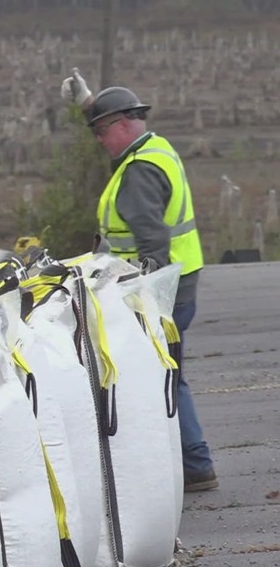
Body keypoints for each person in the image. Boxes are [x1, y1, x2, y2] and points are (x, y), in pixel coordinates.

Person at [61, 69, 216, 492]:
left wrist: (144, 298)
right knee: (170, 376)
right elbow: (113, 119)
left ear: (124, 125)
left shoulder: (138, 173)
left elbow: (152, 242)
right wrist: (89, 103)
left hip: (159, 294)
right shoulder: (154, 149)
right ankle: (193, 463)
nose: (98, 140)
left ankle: (194, 464)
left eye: (101, 132)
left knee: (163, 379)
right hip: (179, 285)